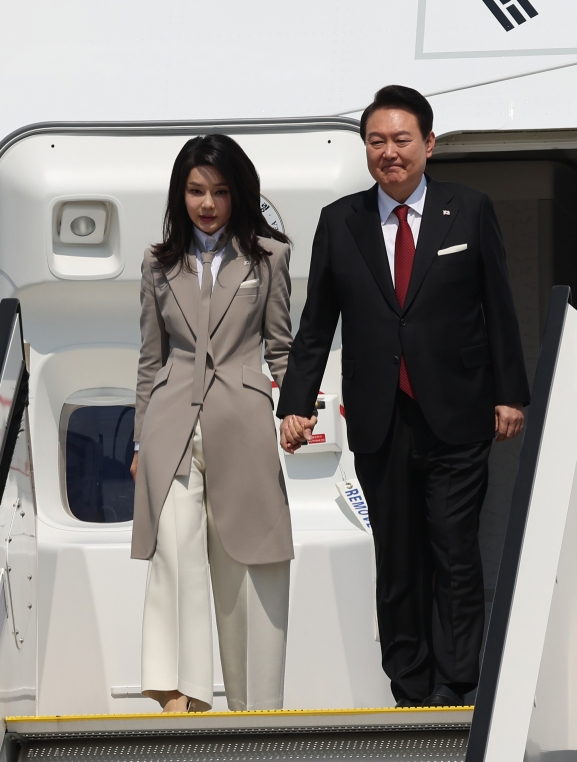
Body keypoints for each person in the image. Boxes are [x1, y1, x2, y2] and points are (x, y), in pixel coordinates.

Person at [277, 85, 530, 708]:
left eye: (402, 140)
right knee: (396, 561)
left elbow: (498, 304)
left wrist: (510, 394)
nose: (389, 153)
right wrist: (296, 403)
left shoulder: (467, 210)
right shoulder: (342, 220)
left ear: (429, 144)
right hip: (380, 417)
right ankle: (411, 689)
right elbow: (317, 322)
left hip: (458, 412)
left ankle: (458, 684)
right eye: (377, 142)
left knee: (454, 551)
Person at [130, 134, 294, 713]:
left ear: (237, 194)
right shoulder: (157, 263)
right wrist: (138, 439)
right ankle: (181, 696)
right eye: (197, 190)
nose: (207, 203)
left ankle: (256, 711)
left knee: (246, 565)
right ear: (181, 194)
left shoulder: (269, 256)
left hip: (244, 425)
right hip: (170, 427)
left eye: (220, 191)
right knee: (173, 558)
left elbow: (281, 347)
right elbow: (151, 358)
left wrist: (296, 407)